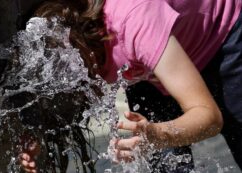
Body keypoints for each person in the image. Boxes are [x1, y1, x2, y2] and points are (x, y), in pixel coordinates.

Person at [20, 0, 242, 172]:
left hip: (220, 36)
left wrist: (157, 135)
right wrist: (41, 137)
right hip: (152, 66)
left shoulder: (133, 22)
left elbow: (210, 118)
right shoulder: (74, 47)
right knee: (163, 163)